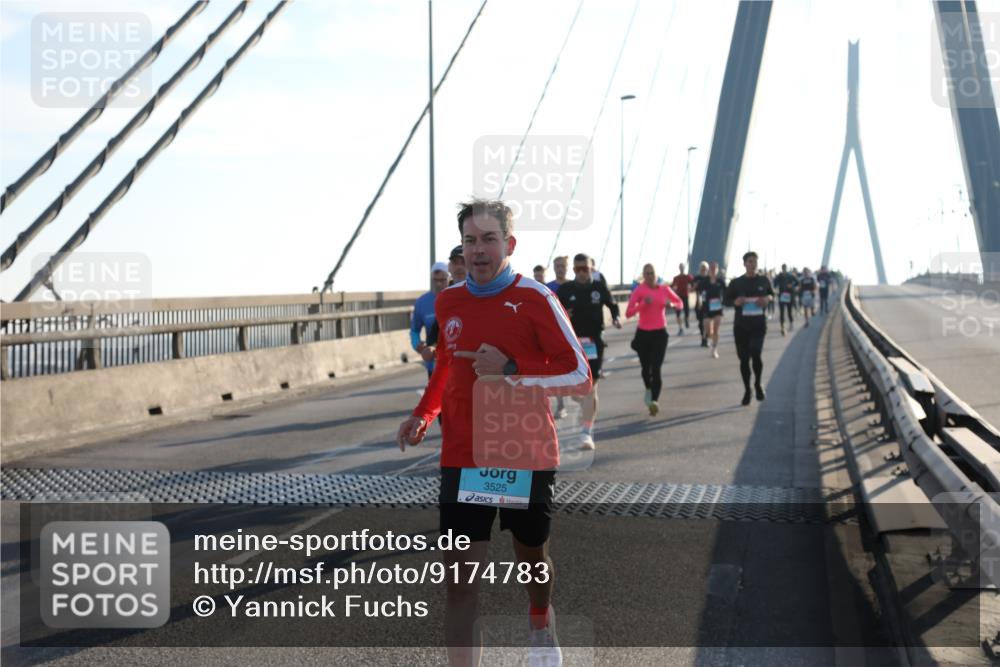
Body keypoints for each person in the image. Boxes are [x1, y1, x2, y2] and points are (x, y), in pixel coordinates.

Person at [397, 199, 591, 667]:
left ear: (510, 243)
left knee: (532, 560)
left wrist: (510, 369)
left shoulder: (536, 299)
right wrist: (424, 414)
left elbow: (579, 375)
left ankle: (541, 622)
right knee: (461, 584)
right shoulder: (449, 301)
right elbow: (447, 365)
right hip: (464, 457)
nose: (479, 250)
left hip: (524, 453)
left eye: (489, 239)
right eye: (470, 241)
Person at [557, 253, 621, 450]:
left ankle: (586, 432)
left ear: (592, 268)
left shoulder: (599, 287)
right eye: (578, 269)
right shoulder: (565, 290)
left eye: (585, 268)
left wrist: (616, 318)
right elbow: (554, 312)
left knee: (591, 387)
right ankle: (579, 399)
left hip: (594, 343)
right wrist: (564, 314)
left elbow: (612, 305)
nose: (582, 272)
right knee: (577, 390)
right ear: (573, 270)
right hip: (572, 344)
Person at [626, 263, 683, 415]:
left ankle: (654, 402)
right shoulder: (639, 290)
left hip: (660, 334)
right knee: (646, 369)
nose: (650, 276)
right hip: (643, 334)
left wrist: (671, 304)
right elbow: (628, 313)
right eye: (647, 274)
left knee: (656, 368)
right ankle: (648, 389)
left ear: (656, 275)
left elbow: (680, 303)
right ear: (643, 276)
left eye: (652, 273)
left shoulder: (664, 289)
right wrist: (643, 304)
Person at [725, 251, 774, 405]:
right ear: (744, 264)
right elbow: (725, 300)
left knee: (756, 351)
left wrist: (767, 299)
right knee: (744, 360)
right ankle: (747, 389)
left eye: (754, 262)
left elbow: (771, 295)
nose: (752, 264)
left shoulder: (764, 280)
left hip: (758, 325)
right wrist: (736, 302)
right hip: (741, 326)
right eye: (750, 262)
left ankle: (758, 383)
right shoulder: (736, 282)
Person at [410, 262, 450, 377]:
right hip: (433, 364)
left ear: (449, 277)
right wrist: (417, 345)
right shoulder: (422, 302)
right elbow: (414, 330)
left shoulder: (457, 298)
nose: (439, 284)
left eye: (443, 280)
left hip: (454, 363)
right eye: (435, 280)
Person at [545, 256, 571, 419]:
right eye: (557, 266)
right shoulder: (547, 288)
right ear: (553, 268)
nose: (560, 269)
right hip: (553, 333)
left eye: (562, 266)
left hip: (573, 333)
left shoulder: (573, 286)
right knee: (555, 368)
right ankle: (561, 405)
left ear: (567, 268)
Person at [701, 262, 727, 358]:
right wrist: (699, 302)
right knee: (708, 331)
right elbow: (699, 292)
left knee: (716, 329)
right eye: (711, 268)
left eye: (714, 268)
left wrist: (724, 301)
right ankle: (711, 339)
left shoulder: (720, 281)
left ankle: (714, 348)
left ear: (717, 269)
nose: (713, 269)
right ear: (709, 269)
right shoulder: (705, 281)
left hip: (717, 308)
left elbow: (726, 292)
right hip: (707, 308)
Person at [773, 264, 799, 336]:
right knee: (781, 312)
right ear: (781, 268)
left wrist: (792, 286)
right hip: (781, 295)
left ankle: (791, 323)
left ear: (786, 268)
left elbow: (797, 282)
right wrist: (775, 289)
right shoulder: (779, 276)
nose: (784, 269)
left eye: (785, 267)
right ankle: (782, 327)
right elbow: (774, 284)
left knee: (789, 311)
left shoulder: (790, 275)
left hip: (789, 295)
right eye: (783, 268)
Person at [670, 263, 694, 335]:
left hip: (685, 296)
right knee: (678, 313)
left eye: (682, 267)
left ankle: (686, 320)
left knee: (686, 311)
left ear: (684, 268)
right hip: (678, 297)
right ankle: (680, 328)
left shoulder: (688, 276)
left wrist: (691, 289)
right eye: (680, 267)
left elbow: (693, 283)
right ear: (679, 268)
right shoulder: (676, 278)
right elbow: (671, 286)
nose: (681, 268)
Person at [693, 261, 710, 348]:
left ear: (707, 269)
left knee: (707, 321)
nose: (703, 269)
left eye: (704, 268)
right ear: (699, 269)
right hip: (698, 302)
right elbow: (693, 289)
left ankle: (705, 339)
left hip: (708, 303)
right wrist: (694, 286)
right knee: (700, 323)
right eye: (701, 268)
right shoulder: (696, 278)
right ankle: (703, 338)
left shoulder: (709, 278)